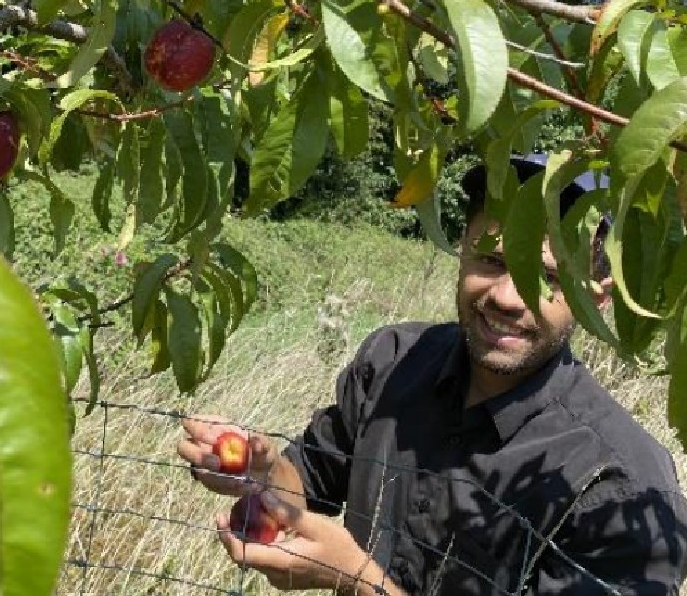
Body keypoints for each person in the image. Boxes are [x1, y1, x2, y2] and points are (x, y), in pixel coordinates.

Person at [178, 154, 687, 595]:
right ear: (461, 250)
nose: (508, 297)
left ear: (594, 295)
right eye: (490, 259)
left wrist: (360, 580)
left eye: (547, 277)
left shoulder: (620, 487)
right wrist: (263, 472)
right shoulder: (393, 361)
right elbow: (309, 482)